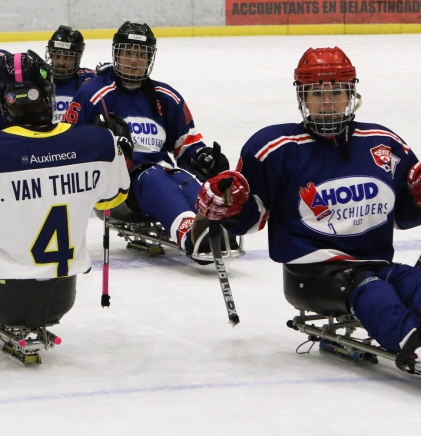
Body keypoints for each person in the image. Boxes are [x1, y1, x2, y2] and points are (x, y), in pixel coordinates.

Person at [196, 46, 421, 372]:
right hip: (313, 275)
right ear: (302, 94)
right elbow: (249, 221)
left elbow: (402, 216)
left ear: (351, 93)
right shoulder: (273, 149)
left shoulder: (384, 143)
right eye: (316, 92)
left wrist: (417, 199)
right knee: (375, 294)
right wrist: (229, 209)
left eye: (336, 91)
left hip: (375, 264)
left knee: (412, 282)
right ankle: (413, 346)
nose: (327, 101)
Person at [0, 50, 131, 328]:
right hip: (61, 296)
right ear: (48, 92)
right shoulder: (99, 142)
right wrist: (120, 148)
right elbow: (111, 200)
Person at [65, 21, 231, 263]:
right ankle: (191, 235)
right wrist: (98, 141)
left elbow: (186, 146)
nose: (134, 60)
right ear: (117, 54)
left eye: (141, 54)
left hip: (161, 173)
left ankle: (215, 227)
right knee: (151, 177)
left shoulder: (166, 97)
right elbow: (69, 146)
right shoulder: (94, 95)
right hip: (117, 189)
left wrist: (201, 157)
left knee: (183, 179)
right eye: (128, 53)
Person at [45, 25, 96, 122]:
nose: (61, 62)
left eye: (67, 57)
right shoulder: (40, 80)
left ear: (77, 59)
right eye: (57, 56)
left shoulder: (88, 80)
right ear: (51, 55)